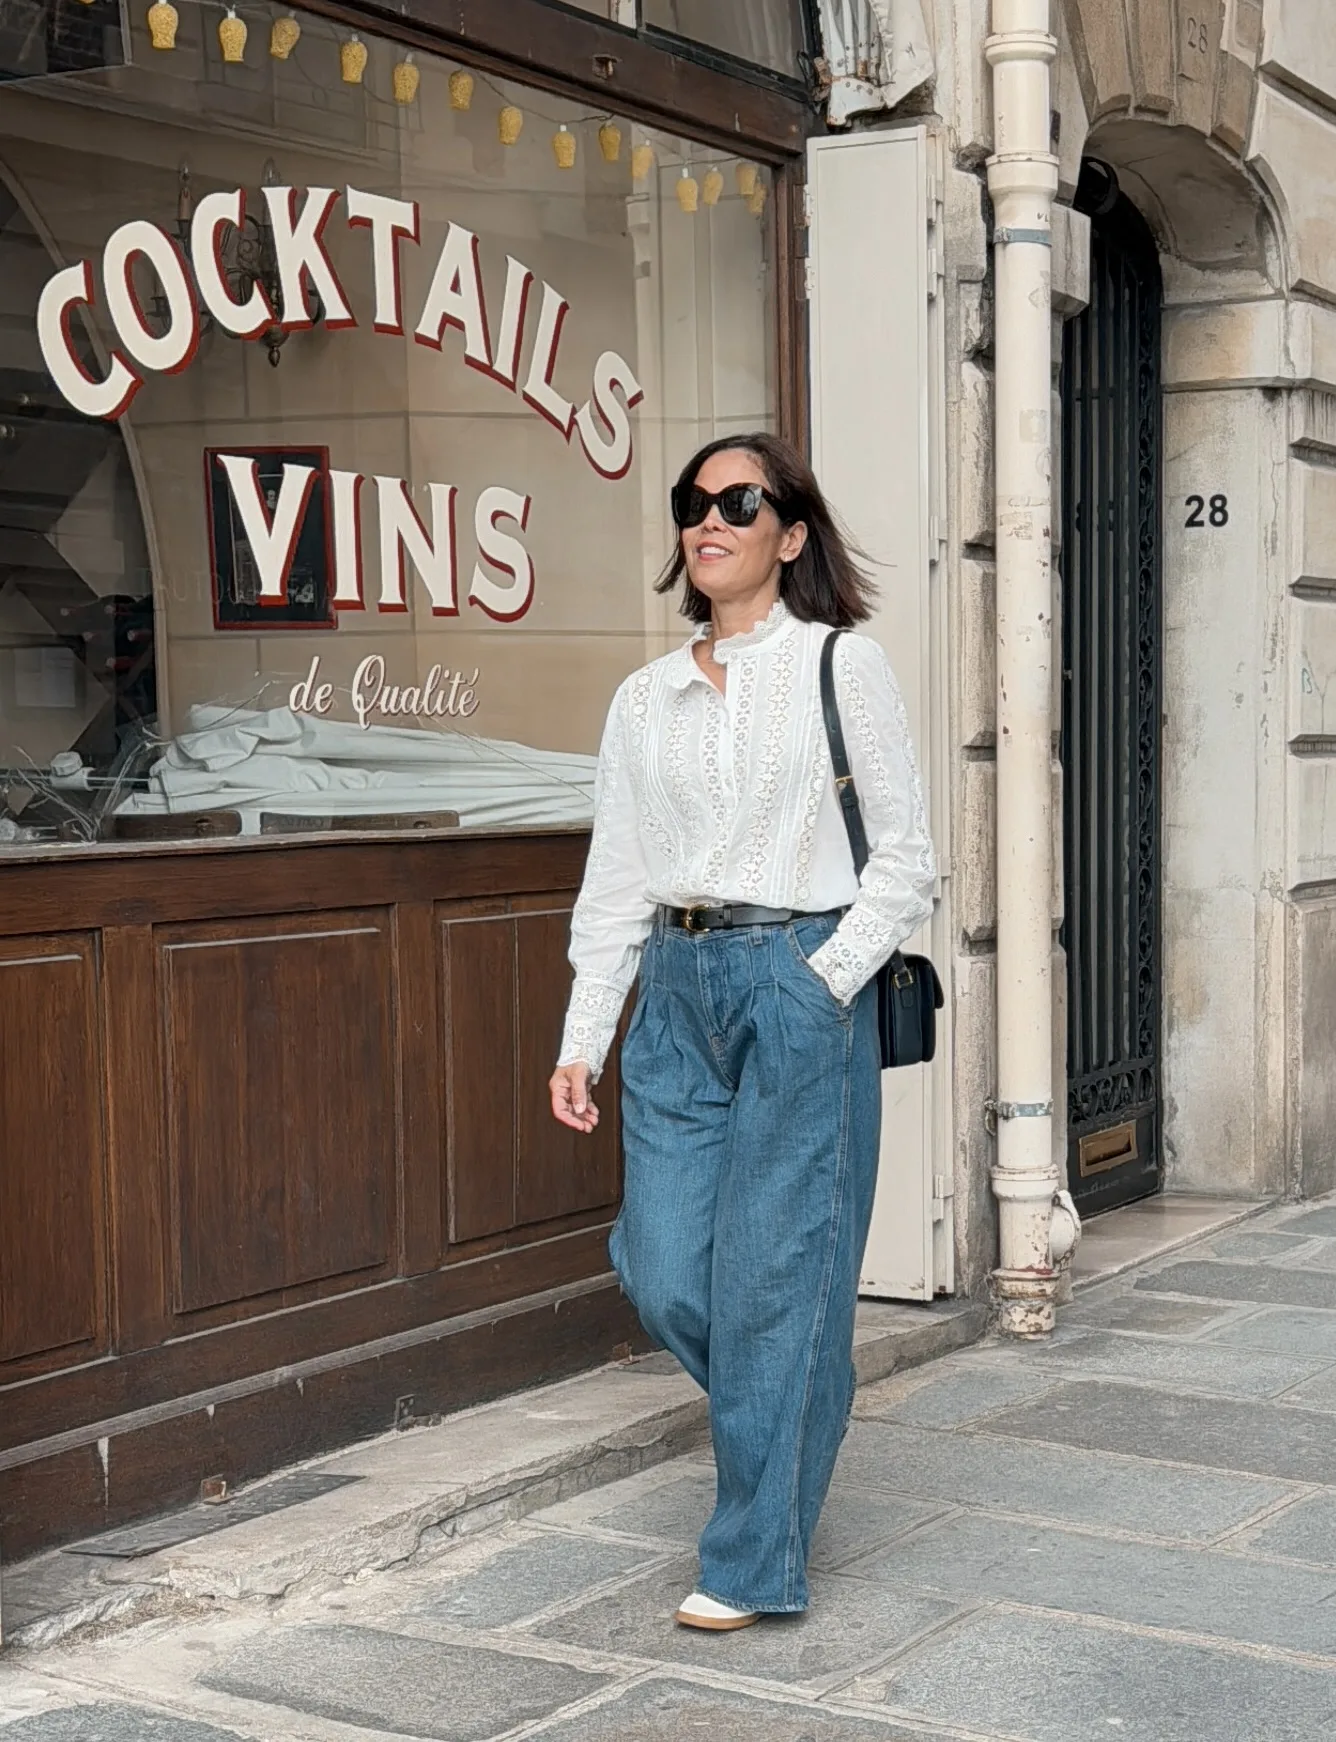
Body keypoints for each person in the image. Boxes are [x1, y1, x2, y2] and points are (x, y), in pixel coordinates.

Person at [548, 432, 936, 1631]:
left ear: (790, 531)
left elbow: (908, 860)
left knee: (775, 1275)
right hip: (673, 983)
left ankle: (751, 1561)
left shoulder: (838, 665)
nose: (708, 519)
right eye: (692, 503)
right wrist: (583, 1034)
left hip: (791, 973)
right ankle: (795, 1386)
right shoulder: (642, 695)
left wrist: (820, 981)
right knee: (662, 1266)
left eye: (737, 500)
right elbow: (615, 873)